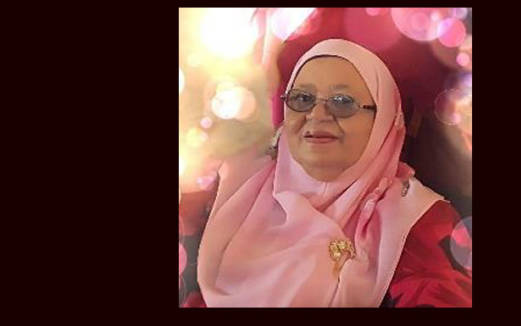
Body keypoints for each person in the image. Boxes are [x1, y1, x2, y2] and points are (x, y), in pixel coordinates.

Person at [179, 37, 471, 307]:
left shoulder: (422, 223)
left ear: (383, 120)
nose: (317, 115)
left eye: (342, 102)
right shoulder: (229, 191)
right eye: (302, 99)